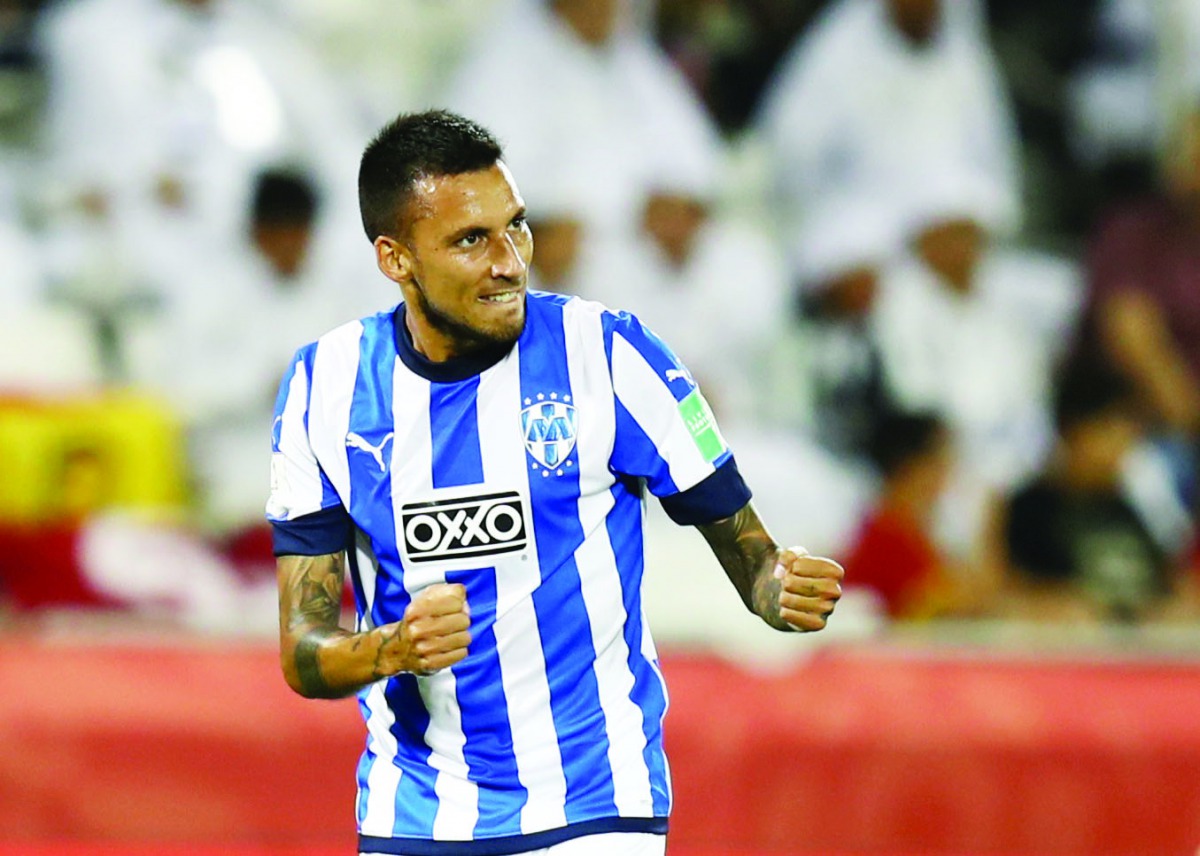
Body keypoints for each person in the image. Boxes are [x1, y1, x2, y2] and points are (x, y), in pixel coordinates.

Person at [266, 110, 844, 856]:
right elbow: (303, 652)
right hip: (417, 811)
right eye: (471, 240)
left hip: (594, 801)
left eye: (517, 226)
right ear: (396, 258)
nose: (509, 260)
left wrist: (777, 585)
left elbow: (753, 561)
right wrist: (392, 649)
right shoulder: (326, 388)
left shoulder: (610, 356)